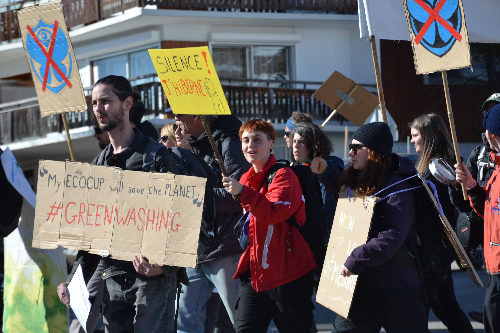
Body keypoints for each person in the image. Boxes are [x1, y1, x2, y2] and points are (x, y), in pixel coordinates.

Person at [57, 75, 182, 333]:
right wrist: (73, 281)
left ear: (127, 104)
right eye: (94, 103)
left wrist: (163, 267)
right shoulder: (98, 166)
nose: (98, 109)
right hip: (112, 280)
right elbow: (91, 239)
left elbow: (187, 219)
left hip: (152, 281)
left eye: (105, 101)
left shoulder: (156, 158)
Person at [311, 122, 428, 333]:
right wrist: (327, 172)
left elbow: (393, 234)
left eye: (357, 148)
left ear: (373, 153)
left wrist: (357, 257)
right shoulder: (361, 178)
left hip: (396, 285)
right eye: (350, 147)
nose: (350, 152)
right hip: (362, 283)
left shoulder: (398, 186)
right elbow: (348, 201)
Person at [223, 119, 316, 333]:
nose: (250, 145)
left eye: (257, 139)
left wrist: (242, 193)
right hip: (254, 275)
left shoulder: (284, 175)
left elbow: (274, 213)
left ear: (271, 143)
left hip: (286, 274)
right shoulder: (245, 179)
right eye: (245, 140)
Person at [174, 113, 250, 333]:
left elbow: (239, 196)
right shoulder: (196, 147)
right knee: (185, 323)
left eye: (181, 111)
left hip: (227, 248)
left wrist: (192, 196)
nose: (176, 116)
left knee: (244, 322)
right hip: (198, 247)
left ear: (198, 116)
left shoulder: (229, 143)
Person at [409, 113, 474, 333]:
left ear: (428, 136)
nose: (411, 140)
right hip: (438, 249)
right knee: (445, 306)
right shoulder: (440, 163)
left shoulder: (439, 169)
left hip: (435, 250)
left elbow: (442, 212)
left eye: (415, 135)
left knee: (422, 310)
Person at [456, 103, 500, 333]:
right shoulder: (497, 168)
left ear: (493, 134)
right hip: (494, 263)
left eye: (487, 131)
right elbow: (488, 210)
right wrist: (471, 183)